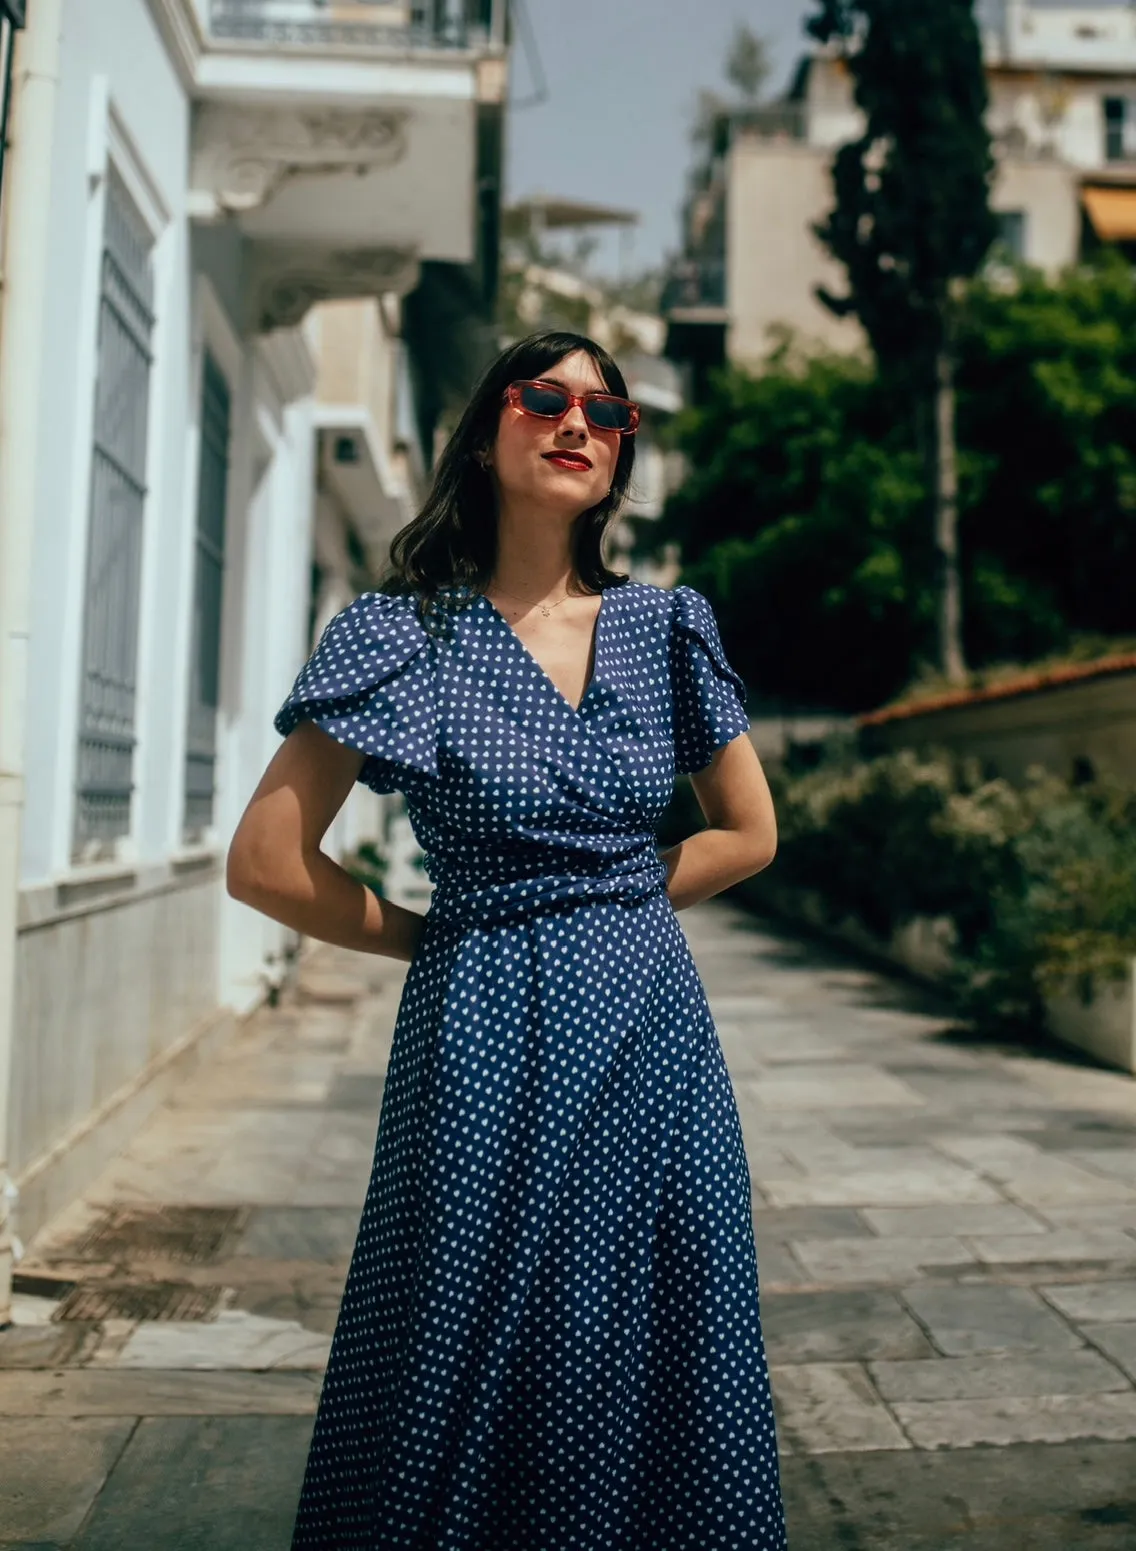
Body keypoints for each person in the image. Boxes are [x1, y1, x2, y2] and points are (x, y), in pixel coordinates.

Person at [227, 329, 787, 1549]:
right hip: (482, 1030)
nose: (576, 422)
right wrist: (447, 938)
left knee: (645, 1333)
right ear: (486, 432)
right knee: (470, 1334)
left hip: (653, 1040)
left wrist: (611, 903)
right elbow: (267, 865)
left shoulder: (667, 627)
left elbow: (747, 832)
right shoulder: (405, 633)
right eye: (543, 399)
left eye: (606, 410)